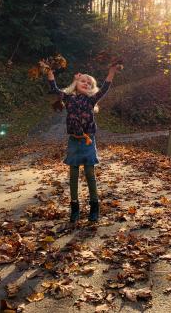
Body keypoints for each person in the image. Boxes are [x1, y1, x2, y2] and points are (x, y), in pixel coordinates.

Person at [47, 65, 119, 223]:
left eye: (89, 83)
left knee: (89, 174)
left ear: (92, 88)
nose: (86, 83)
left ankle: (94, 207)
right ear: (76, 82)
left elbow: (104, 89)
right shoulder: (68, 98)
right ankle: (75, 208)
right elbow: (55, 89)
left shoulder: (92, 99)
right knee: (73, 175)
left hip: (88, 141)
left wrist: (111, 72)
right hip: (74, 141)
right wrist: (50, 73)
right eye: (83, 81)